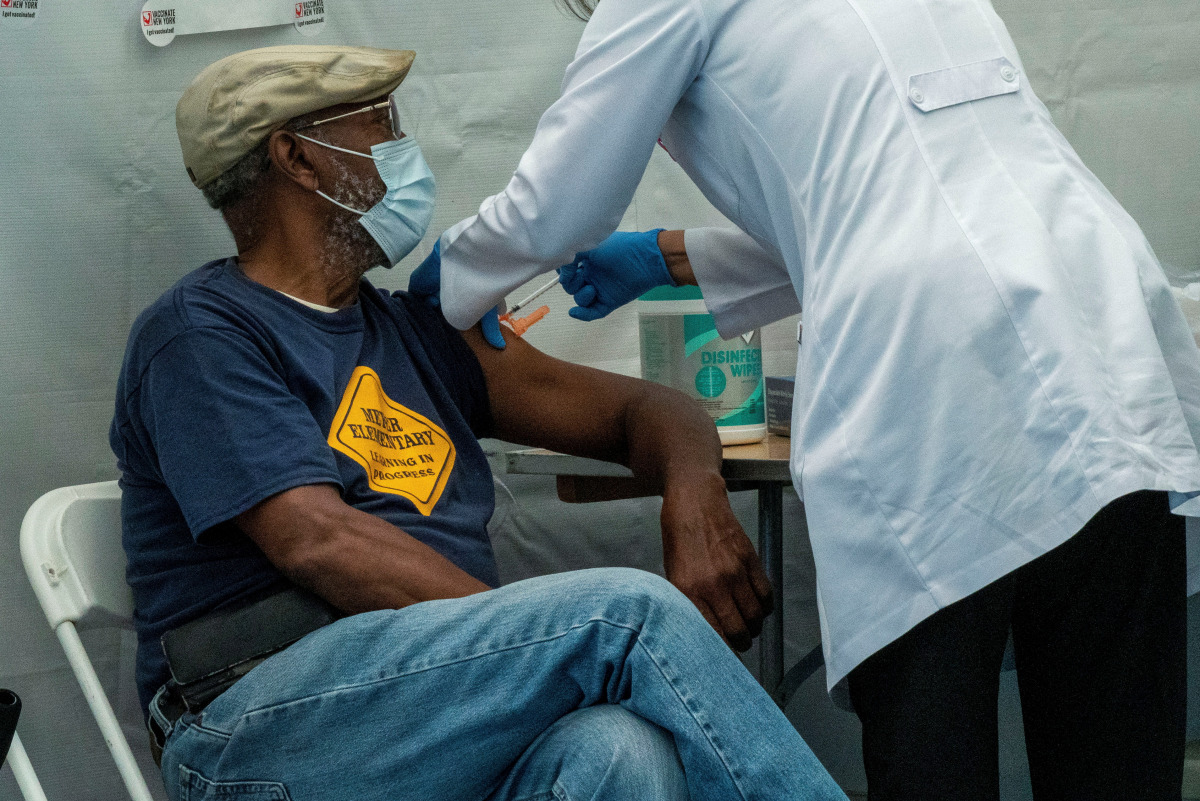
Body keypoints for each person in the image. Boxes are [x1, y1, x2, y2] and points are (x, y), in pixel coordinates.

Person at [421, 0, 1200, 798]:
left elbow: (561, 204)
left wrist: (447, 281)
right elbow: (893, 199)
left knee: (937, 746)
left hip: (931, 372)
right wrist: (668, 255)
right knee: (1114, 746)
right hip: (1102, 325)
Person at [110, 44, 850, 801]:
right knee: (624, 616)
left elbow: (648, 412)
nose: (404, 149)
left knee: (618, 750)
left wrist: (693, 495)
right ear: (298, 159)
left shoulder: (417, 332)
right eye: (379, 123)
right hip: (256, 725)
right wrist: (530, 643)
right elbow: (317, 539)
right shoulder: (202, 334)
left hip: (430, 709)